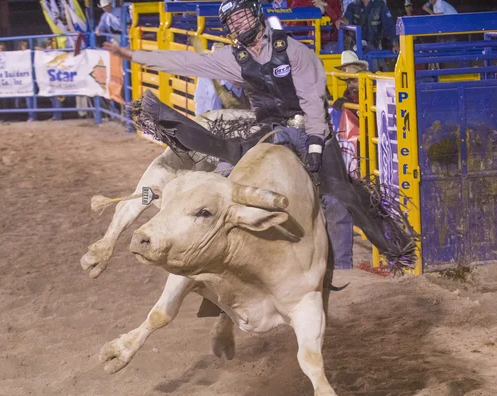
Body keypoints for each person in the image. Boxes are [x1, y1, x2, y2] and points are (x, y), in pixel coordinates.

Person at [105, 0, 416, 272]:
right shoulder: (233, 59)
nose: (239, 23)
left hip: (310, 128)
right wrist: (132, 55)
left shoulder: (292, 50)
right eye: (232, 21)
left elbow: (312, 100)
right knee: (228, 176)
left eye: (242, 15)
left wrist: (317, 145)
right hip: (270, 130)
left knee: (339, 195)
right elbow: (187, 61)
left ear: (255, 15)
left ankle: (375, 256)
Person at [343, 0, 398, 72]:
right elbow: (346, 20)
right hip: (357, 49)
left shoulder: (380, 5)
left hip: (375, 47)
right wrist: (342, 21)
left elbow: (390, 26)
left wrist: (395, 43)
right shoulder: (352, 6)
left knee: (376, 66)